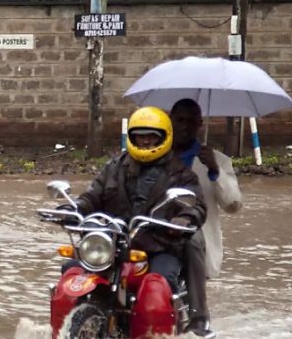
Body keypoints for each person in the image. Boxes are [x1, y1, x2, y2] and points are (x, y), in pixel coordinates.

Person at [67, 106, 206, 295]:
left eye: (152, 136)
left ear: (164, 137)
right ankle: (70, 322)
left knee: (159, 285)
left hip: (160, 245)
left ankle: (173, 321)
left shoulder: (181, 173)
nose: (146, 140)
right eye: (140, 136)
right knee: (72, 269)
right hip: (114, 244)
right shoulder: (114, 167)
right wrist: (75, 208)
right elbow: (92, 196)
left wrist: (184, 218)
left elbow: (196, 204)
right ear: (132, 137)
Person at [171, 98, 242, 338]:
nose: (185, 127)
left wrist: (215, 171)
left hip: (197, 243)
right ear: (170, 121)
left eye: (191, 122)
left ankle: (199, 321)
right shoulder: (154, 155)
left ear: (200, 125)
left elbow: (233, 204)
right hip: (158, 235)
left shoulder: (216, 160)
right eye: (180, 120)